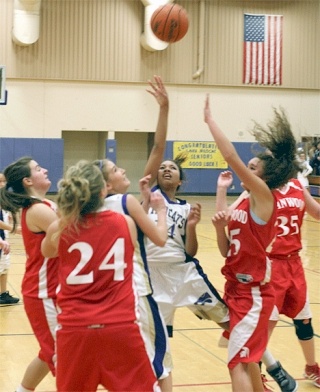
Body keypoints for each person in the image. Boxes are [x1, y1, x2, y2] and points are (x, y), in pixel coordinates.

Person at [41, 160, 161, 392]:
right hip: (120, 326)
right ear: (104, 190)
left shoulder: (60, 227)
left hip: (75, 329)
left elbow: (47, 251)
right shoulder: (124, 223)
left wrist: (63, 216)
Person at [205, 99, 299, 392]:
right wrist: (221, 212)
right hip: (235, 289)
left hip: (253, 294)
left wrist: (210, 121)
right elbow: (225, 250)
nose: (247, 167)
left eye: (252, 166)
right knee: (248, 363)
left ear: (263, 176)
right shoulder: (244, 201)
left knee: (238, 364)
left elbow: (230, 155)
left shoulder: (263, 195)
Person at [94, 75, 173, 391]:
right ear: (107, 185)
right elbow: (158, 147)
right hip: (135, 293)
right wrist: (165, 108)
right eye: (115, 170)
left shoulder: (89, 210)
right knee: (156, 365)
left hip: (104, 298)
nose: (123, 169)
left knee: (151, 365)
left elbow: (156, 149)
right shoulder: (126, 204)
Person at [0, 157, 59, 392]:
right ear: (27, 180)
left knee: (49, 352)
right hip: (43, 291)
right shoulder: (37, 210)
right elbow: (73, 237)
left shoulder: (43, 204)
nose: (44, 169)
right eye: (38, 168)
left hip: (51, 289)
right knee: (62, 354)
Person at [0, 171, 20, 305]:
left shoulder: (3, 198)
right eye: (0, 182)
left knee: (4, 266)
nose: (3, 184)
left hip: (3, 237)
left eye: (4, 181)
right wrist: (13, 228)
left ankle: (3, 293)